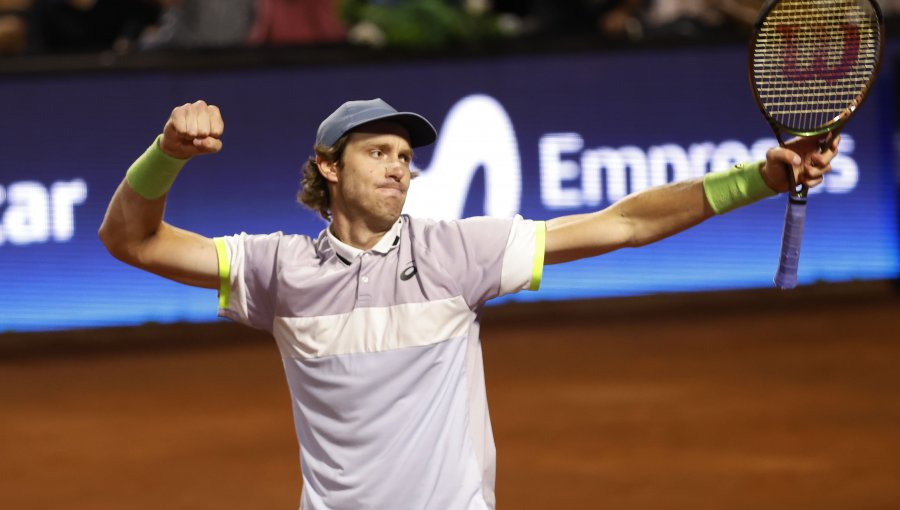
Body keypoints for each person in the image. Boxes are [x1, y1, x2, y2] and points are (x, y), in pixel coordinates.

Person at [98, 98, 838, 509]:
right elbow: (132, 241)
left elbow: (624, 222)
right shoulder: (276, 269)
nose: (400, 170)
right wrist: (166, 153)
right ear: (327, 166)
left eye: (406, 158)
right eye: (379, 152)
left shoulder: (457, 251)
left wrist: (758, 181)